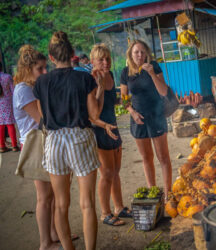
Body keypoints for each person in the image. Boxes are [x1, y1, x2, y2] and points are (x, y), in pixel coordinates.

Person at [33, 31, 117, 250]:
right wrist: (99, 89)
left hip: (54, 141)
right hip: (79, 138)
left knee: (60, 205)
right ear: (72, 55)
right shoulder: (83, 78)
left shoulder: (42, 82)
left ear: (51, 58)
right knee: (87, 204)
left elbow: (43, 116)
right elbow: (95, 115)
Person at [13, 45, 60, 250]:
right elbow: (41, 120)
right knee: (43, 197)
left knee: (50, 195)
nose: (44, 71)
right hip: (34, 144)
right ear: (28, 69)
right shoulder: (23, 89)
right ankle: (45, 243)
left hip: (43, 142)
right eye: (40, 68)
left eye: (45, 67)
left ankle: (53, 233)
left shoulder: (33, 86)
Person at [120, 40, 172, 198]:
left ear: (147, 54)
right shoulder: (125, 72)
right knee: (146, 158)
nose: (140, 55)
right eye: (136, 52)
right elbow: (124, 99)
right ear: (131, 54)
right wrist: (132, 112)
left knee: (163, 157)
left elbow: (164, 91)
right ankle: (153, 192)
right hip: (138, 119)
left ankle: (168, 194)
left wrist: (151, 73)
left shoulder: (154, 66)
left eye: (143, 52)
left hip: (156, 116)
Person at [90, 43, 131, 226]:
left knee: (115, 171)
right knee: (106, 173)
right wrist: (99, 87)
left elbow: (114, 103)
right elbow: (93, 114)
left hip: (113, 126)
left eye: (107, 58)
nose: (105, 62)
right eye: (101, 59)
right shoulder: (90, 80)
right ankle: (105, 213)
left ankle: (119, 207)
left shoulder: (111, 75)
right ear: (93, 62)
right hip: (100, 129)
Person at [0, 61, 18, 152]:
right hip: (7, 102)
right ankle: (14, 145)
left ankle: (2, 146)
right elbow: (13, 91)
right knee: (10, 123)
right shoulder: (7, 77)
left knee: (1, 125)